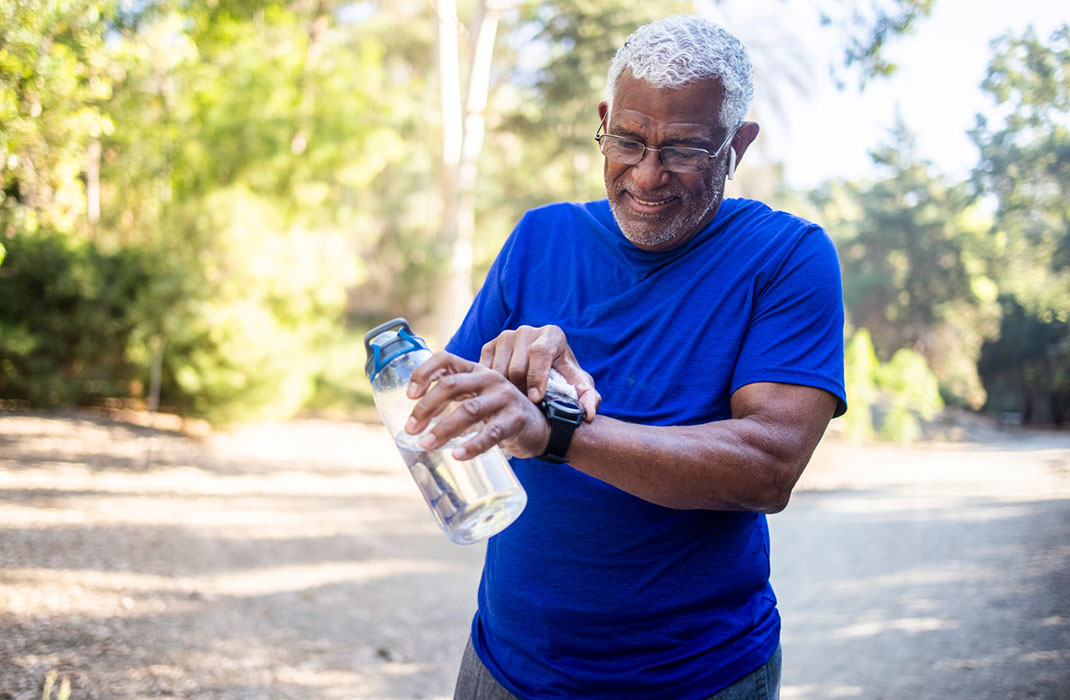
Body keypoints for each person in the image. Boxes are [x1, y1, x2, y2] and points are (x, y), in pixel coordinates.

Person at [404, 14, 847, 700]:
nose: (646, 176)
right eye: (628, 141)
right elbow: (448, 422)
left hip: (698, 677)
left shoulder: (788, 257)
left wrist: (557, 430)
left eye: (685, 150)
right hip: (505, 665)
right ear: (605, 120)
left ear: (738, 146)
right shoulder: (540, 236)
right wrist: (493, 385)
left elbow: (768, 467)